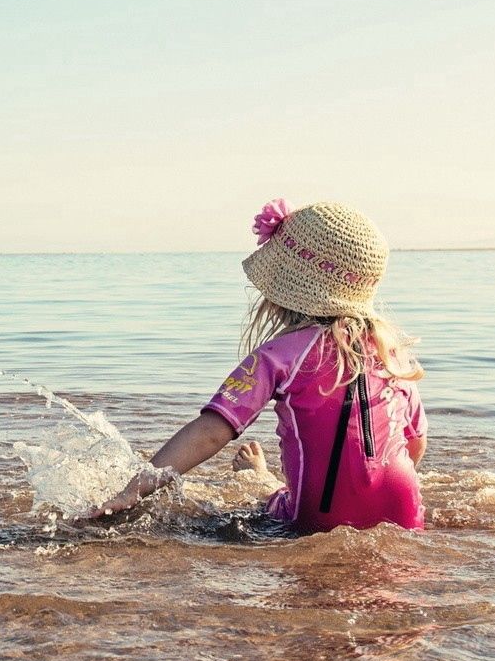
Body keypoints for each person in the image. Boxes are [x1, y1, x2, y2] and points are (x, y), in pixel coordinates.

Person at [96, 199, 428, 532]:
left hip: (320, 516)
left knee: (275, 502)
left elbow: (211, 433)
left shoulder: (280, 354)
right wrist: (369, 489)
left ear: (285, 284)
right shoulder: (391, 353)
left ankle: (260, 476)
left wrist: (133, 489)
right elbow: (415, 444)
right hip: (406, 509)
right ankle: (269, 478)